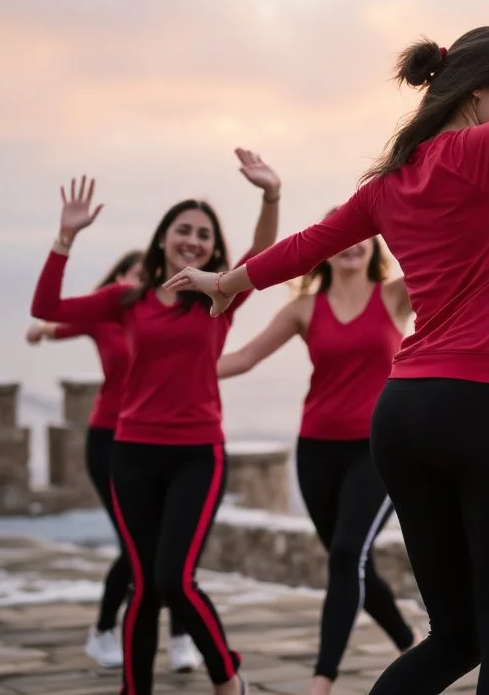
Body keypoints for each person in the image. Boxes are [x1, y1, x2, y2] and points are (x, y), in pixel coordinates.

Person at [165, 0, 489, 695]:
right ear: (476, 88)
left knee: (457, 637)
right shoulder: (477, 156)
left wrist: (234, 283)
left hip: (404, 413)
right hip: (486, 406)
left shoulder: (394, 181)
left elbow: (315, 241)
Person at [32, 148, 282, 695]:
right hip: (132, 455)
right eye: (183, 230)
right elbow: (47, 307)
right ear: (163, 238)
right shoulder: (128, 299)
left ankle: (226, 676)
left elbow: (263, 253)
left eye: (204, 234)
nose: (193, 239)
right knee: (143, 586)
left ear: (214, 248)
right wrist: (65, 238)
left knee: (173, 578)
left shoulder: (219, 295)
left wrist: (270, 195)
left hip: (197, 456)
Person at [217, 223, 419, 695]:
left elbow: (447, 259)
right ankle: (410, 645)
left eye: (360, 237)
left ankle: (321, 681)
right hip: (316, 451)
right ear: (324, 252)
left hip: (379, 450)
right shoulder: (304, 308)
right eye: (341, 239)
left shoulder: (395, 296)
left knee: (348, 554)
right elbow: (245, 357)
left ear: (373, 245)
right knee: (349, 560)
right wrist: (172, 377)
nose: (351, 245)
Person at [25, 249, 204, 675]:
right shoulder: (109, 312)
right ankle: (103, 630)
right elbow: (62, 322)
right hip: (110, 440)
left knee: (174, 544)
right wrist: (43, 331)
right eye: (134, 273)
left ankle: (180, 637)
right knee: (137, 545)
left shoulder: (161, 316)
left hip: (160, 439)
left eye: (147, 274)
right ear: (118, 279)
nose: (141, 280)